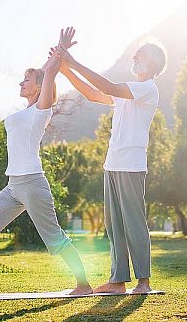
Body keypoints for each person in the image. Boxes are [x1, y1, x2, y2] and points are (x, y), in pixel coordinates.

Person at [0, 41, 92, 299]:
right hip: (13, 186)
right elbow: (42, 72)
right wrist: (50, 60)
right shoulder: (25, 112)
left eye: (26, 80)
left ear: (39, 87)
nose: (21, 83)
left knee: (55, 238)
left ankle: (83, 285)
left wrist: (59, 52)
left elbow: (47, 75)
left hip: (33, 184)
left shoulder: (41, 111)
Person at [52, 27, 167, 294]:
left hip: (131, 165)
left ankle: (144, 282)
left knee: (134, 223)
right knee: (114, 226)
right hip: (112, 164)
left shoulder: (146, 89)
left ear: (151, 62)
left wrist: (73, 62)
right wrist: (66, 69)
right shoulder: (128, 92)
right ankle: (117, 282)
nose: (134, 58)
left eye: (139, 54)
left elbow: (106, 86)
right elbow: (94, 94)